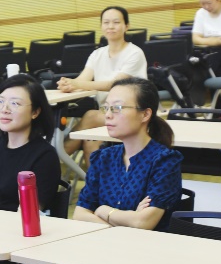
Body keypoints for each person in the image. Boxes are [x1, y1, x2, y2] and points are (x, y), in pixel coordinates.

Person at [73, 78, 182, 232]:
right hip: (105, 243)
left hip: (149, 245)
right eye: (106, 108)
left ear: (145, 114)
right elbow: (79, 214)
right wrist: (126, 220)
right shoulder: (103, 158)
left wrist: (103, 210)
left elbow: (143, 223)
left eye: (117, 108)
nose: (108, 115)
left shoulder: (165, 161)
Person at [59, 6, 147, 160]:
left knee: (90, 116)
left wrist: (76, 84)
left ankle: (57, 156)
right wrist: (67, 84)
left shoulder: (135, 53)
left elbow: (114, 85)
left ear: (126, 26)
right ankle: (89, 177)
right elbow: (82, 80)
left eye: (116, 22)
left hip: (132, 113)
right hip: (107, 115)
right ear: (101, 26)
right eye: (106, 22)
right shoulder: (97, 54)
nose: (110, 26)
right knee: (90, 143)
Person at [0, 74, 60, 213]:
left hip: (19, 224)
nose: (4, 109)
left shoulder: (45, 156)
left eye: (15, 103)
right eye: (0, 101)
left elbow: (29, 212)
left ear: (35, 112)